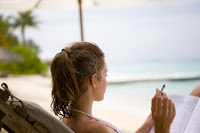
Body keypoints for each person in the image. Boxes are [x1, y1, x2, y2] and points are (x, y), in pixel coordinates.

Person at [50, 42, 176, 133]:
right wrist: (162, 128)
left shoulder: (67, 119)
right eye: (105, 74)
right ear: (94, 80)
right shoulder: (97, 129)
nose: (106, 81)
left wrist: (150, 121)